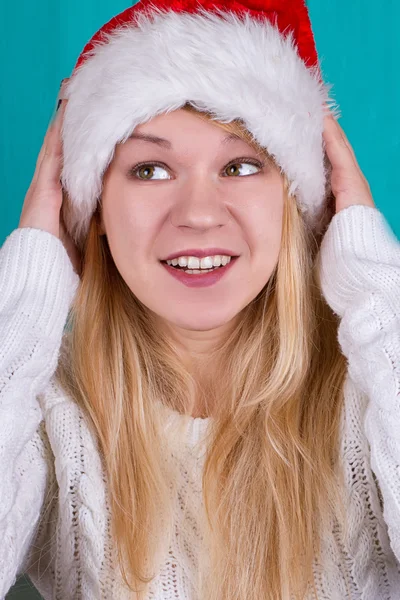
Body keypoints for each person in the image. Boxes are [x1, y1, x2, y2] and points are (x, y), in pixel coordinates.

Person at [1, 1, 400, 598]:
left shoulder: (373, 397)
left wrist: (374, 277)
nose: (199, 214)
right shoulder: (41, 411)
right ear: (93, 208)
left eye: (241, 165)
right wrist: (27, 299)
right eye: (150, 170)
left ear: (296, 201)